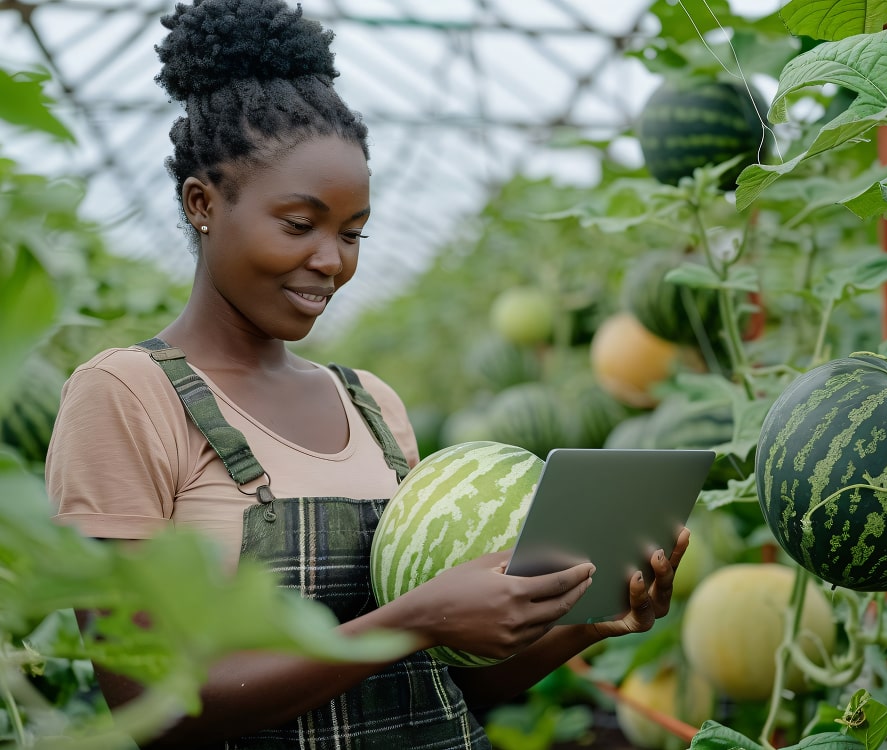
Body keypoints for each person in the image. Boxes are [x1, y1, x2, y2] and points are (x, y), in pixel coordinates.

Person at [45, 1, 690, 748]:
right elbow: (150, 705)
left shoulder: (372, 405)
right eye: (300, 225)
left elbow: (442, 687)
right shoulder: (126, 397)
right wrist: (415, 618)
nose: (332, 261)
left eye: (353, 233)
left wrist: (591, 624)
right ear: (202, 203)